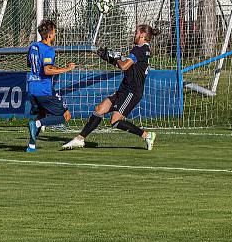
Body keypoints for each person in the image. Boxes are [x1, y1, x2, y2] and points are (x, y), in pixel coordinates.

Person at [62, 24, 159, 151]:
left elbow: (124, 66)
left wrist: (117, 58)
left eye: (136, 32)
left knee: (115, 121)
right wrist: (109, 58)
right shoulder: (142, 49)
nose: (134, 35)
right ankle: (80, 139)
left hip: (132, 91)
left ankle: (147, 135)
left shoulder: (139, 50)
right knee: (99, 109)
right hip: (125, 89)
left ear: (141, 35)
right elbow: (127, 66)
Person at [25, 19, 75, 153]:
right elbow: (47, 70)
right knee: (64, 115)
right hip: (43, 88)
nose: (54, 35)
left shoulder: (33, 46)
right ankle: (37, 124)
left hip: (31, 88)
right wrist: (66, 69)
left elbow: (30, 65)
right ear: (48, 35)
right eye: (53, 33)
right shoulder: (49, 50)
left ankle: (31, 146)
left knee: (41, 114)